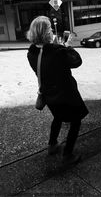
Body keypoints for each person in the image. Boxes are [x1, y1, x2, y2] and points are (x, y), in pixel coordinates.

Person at [27, 16, 88, 165]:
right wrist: (67, 47)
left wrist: (57, 47)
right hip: (66, 94)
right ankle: (67, 154)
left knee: (58, 117)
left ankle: (52, 145)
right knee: (76, 121)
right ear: (46, 32)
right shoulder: (57, 51)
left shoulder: (31, 53)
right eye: (49, 28)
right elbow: (77, 62)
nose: (52, 31)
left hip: (49, 96)